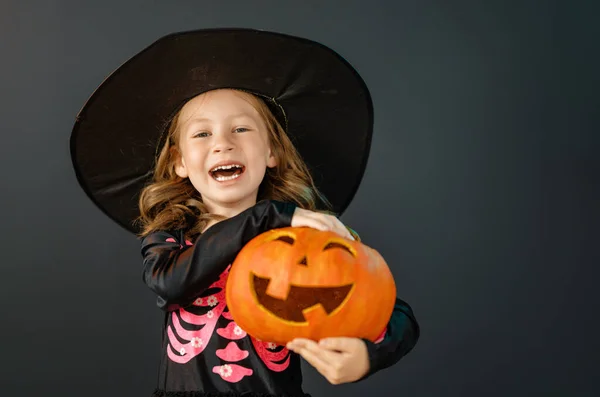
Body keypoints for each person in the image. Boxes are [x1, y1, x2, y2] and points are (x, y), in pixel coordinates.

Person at [71, 28, 420, 397]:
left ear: (272, 154)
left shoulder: (305, 242)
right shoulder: (173, 235)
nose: (223, 143)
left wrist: (370, 353)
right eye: (202, 134)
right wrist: (268, 215)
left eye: (241, 128)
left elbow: (395, 312)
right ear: (179, 163)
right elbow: (168, 283)